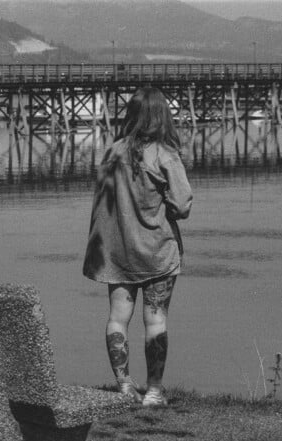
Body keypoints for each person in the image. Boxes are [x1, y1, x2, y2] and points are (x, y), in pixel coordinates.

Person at [82, 87, 192, 407]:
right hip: (158, 252)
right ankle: (154, 392)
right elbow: (183, 204)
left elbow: (103, 207)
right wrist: (167, 206)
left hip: (117, 252)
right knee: (155, 320)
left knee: (118, 318)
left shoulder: (112, 151)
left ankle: (125, 386)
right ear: (161, 116)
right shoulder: (165, 154)